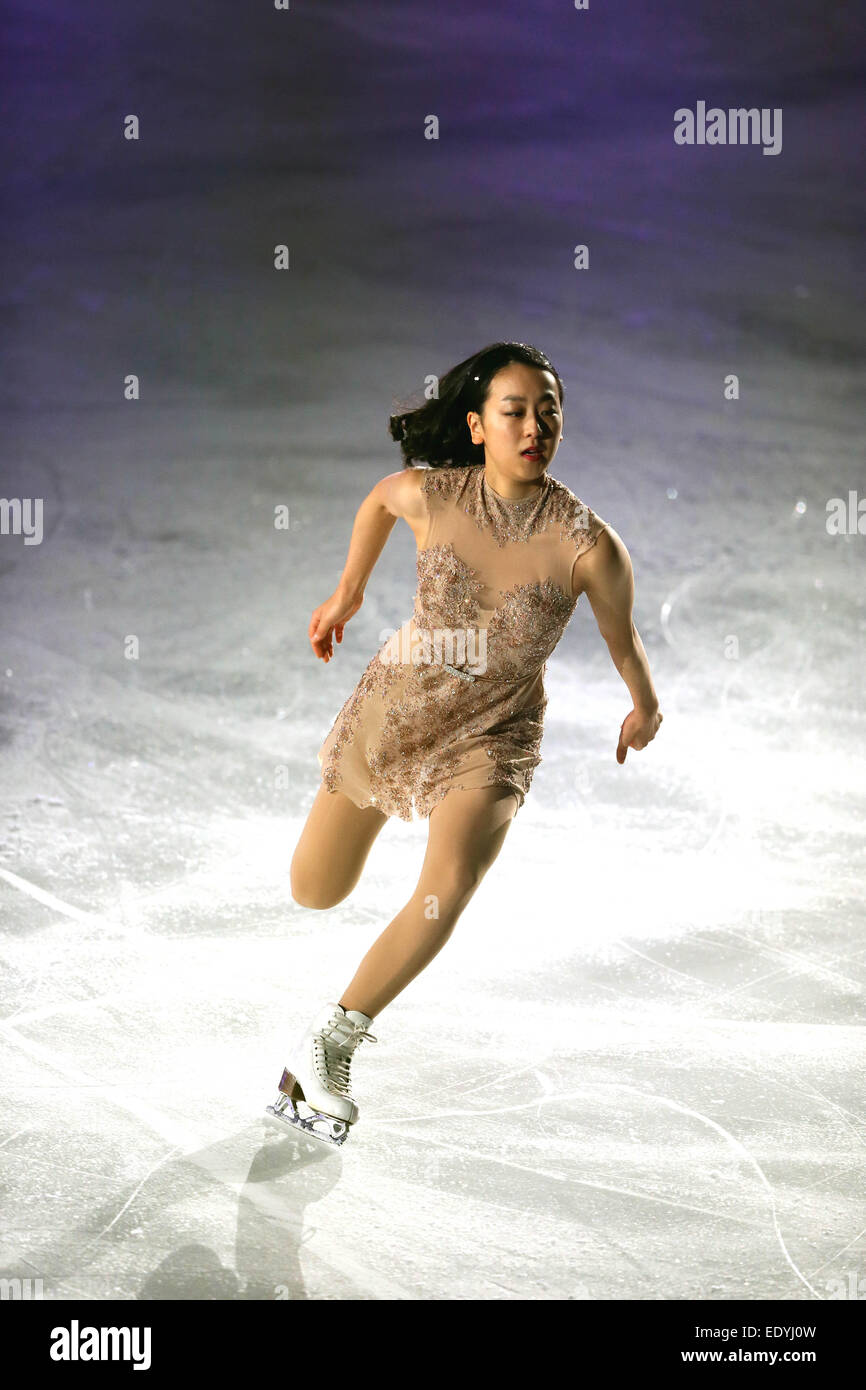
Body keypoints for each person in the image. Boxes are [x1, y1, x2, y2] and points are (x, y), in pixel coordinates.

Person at [264, 341, 663, 1146]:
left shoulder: (587, 544)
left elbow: (624, 641)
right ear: (477, 426)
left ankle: (331, 1043)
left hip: (496, 731)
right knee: (315, 889)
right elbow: (381, 498)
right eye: (514, 412)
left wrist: (643, 706)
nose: (534, 427)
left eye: (548, 412)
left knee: (448, 883)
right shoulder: (435, 494)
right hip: (402, 707)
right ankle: (324, 1009)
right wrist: (348, 589)